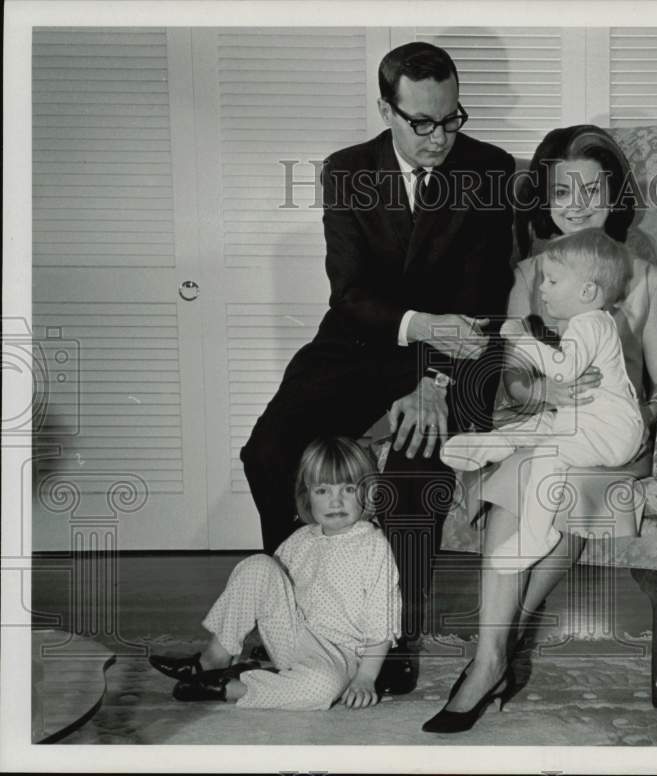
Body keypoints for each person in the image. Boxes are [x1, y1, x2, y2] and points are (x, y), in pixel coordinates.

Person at [239, 42, 515, 695]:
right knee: (269, 450)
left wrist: (436, 383)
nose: (439, 137)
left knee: (416, 467)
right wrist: (415, 328)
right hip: (363, 341)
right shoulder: (346, 171)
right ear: (386, 109)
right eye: (422, 122)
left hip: (460, 352)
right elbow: (351, 292)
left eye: (452, 118)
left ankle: (391, 635)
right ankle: (301, 607)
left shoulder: (491, 169)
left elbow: (482, 295)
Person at [425, 124, 657, 733]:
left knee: (557, 483)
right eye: (561, 189)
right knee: (530, 477)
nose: (576, 201)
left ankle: (493, 652)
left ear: (614, 193)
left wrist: (645, 416)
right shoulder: (533, 272)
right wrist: (540, 389)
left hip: (612, 436)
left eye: (590, 187)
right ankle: (492, 657)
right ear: (545, 199)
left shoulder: (649, 278)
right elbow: (513, 373)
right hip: (544, 422)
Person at [441, 228, 645, 568]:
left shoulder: (589, 325)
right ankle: (491, 445)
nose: (541, 289)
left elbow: (562, 371)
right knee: (541, 422)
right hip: (590, 423)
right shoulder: (591, 322)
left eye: (552, 281)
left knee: (549, 456)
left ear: (587, 291)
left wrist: (522, 341)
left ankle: (537, 535)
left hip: (611, 432)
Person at [148, 437, 401, 710]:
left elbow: (381, 622)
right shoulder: (301, 539)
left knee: (322, 688)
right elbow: (264, 589)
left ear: (369, 492)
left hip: (340, 657)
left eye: (348, 489)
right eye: (322, 491)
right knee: (259, 565)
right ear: (307, 495)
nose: (335, 501)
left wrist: (365, 677)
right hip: (291, 638)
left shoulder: (374, 546)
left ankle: (234, 687)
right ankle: (212, 659)